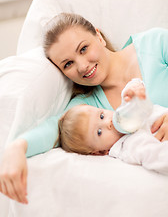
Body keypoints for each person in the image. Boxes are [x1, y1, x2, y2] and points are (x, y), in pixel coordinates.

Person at [1, 12, 168, 204]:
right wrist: (17, 147)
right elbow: (54, 127)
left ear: (98, 36)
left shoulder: (155, 44)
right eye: (68, 64)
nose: (81, 66)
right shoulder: (88, 108)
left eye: (83, 49)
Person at [57, 81, 168, 175]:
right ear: (99, 152)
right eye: (99, 132)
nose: (108, 123)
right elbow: (158, 157)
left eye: (101, 116)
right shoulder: (130, 145)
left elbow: (133, 91)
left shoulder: (124, 116)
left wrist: (133, 90)